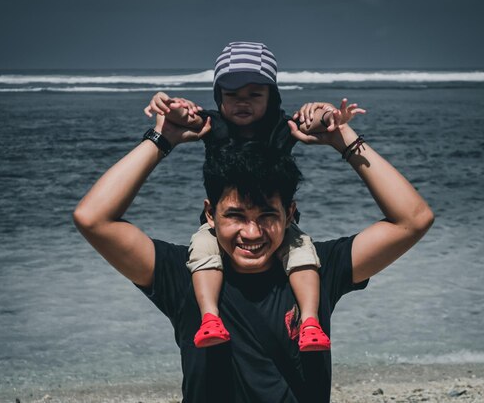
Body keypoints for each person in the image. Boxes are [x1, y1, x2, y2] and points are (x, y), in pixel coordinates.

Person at [73, 108, 434, 402]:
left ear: (289, 215)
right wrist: (161, 139)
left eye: (267, 216)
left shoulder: (316, 268)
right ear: (210, 214)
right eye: (235, 216)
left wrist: (344, 139)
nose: (252, 233)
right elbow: (93, 219)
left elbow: (413, 220)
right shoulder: (182, 274)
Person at [143, 41, 362, 351]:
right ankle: (209, 318)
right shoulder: (212, 124)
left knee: (303, 256)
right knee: (203, 253)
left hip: (278, 224)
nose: (242, 103)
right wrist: (171, 106)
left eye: (254, 95)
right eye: (232, 95)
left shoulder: (281, 126)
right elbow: (185, 117)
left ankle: (310, 322)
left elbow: (311, 122)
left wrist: (326, 115)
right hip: (222, 225)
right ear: (219, 97)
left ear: (271, 96)